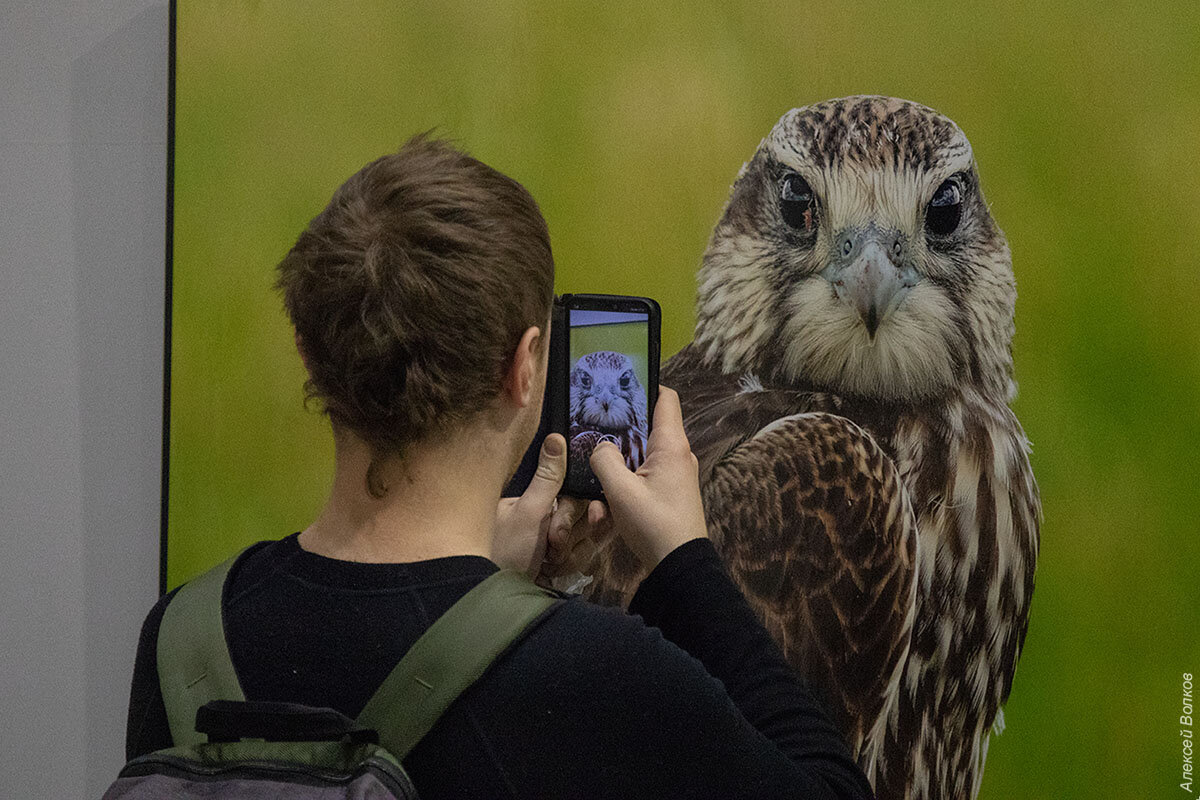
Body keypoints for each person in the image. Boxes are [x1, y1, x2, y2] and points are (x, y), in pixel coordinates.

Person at [125, 135, 874, 800]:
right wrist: (685, 561)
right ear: (524, 370)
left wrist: (492, 585)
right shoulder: (590, 672)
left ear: (306, 353)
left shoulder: (179, 641)